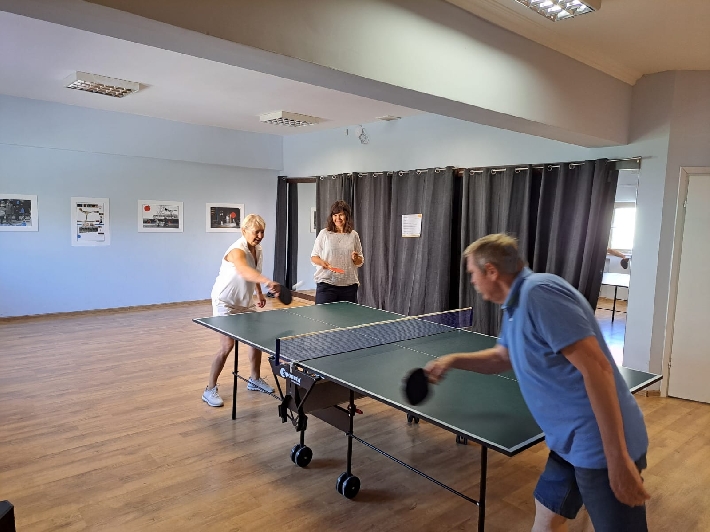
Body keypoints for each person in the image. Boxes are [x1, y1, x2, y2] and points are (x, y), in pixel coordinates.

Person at [426, 234, 649, 532]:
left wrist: (617, 459)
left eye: (472, 274)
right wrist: (452, 360)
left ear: (491, 271)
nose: (472, 282)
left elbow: (597, 369)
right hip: (568, 441)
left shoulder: (539, 294)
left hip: (599, 444)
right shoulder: (515, 303)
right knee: (547, 515)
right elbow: (501, 358)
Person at [202, 214, 281, 407]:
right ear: (244, 231)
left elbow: (254, 272)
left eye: (262, 232)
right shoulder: (236, 250)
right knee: (227, 346)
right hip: (225, 302)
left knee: (256, 340)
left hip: (245, 301)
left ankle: (254, 379)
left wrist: (259, 293)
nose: (260, 236)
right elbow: (244, 270)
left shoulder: (258, 249)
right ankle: (209, 389)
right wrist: (268, 281)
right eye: (256, 232)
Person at [310, 200, 364, 304]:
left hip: (349, 287)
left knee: (348, 315)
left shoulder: (354, 235)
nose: (338, 218)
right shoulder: (324, 234)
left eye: (341, 215)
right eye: (335, 215)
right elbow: (314, 257)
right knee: (322, 315)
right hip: (326, 284)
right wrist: (322, 263)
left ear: (347, 216)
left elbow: (360, 261)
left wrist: (356, 258)